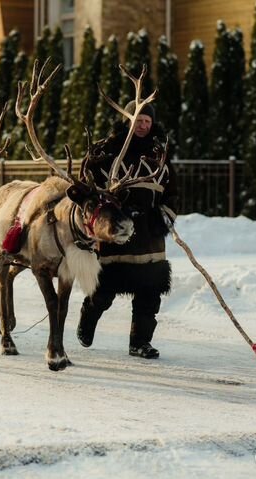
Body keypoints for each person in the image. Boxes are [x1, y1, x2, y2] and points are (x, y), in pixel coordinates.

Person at [77, 101, 179, 359]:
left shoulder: (160, 153)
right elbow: (88, 186)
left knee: (149, 293)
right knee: (105, 289)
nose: (143, 126)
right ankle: (89, 315)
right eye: (138, 120)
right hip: (116, 231)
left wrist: (164, 219)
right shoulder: (108, 150)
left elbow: (173, 192)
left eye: (147, 121)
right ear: (127, 121)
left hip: (150, 233)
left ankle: (140, 342)